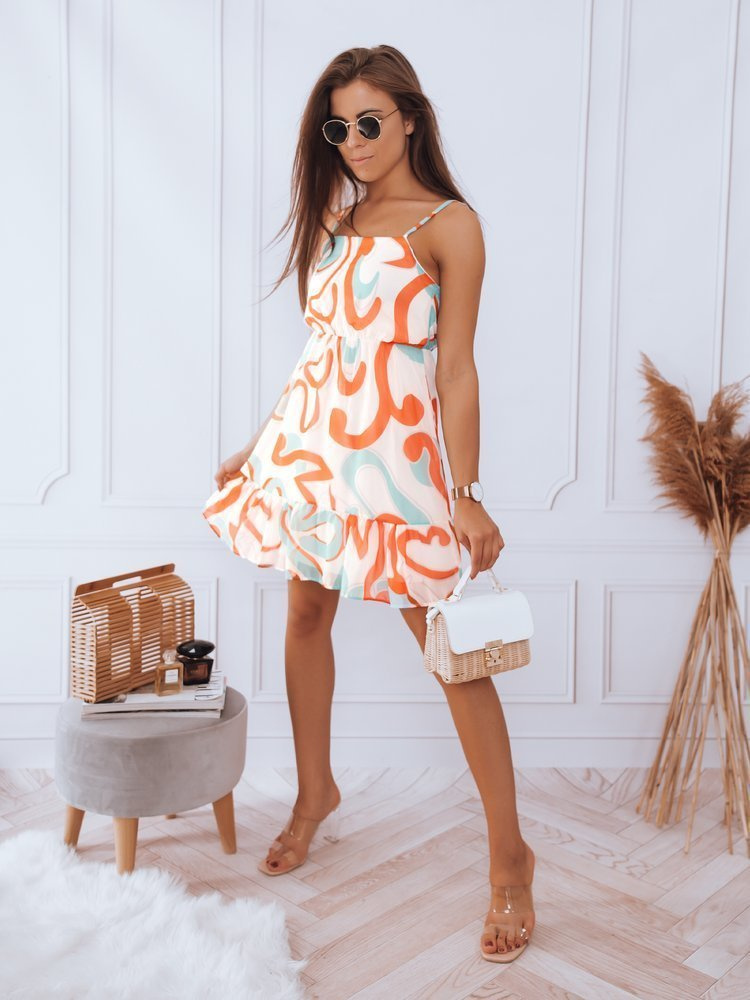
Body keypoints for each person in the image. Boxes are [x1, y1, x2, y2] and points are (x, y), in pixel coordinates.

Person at [202, 44, 535, 963]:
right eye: (337, 127)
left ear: (411, 120)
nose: (352, 140)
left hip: (398, 468)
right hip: (314, 455)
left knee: (452, 655)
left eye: (369, 122)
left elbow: (456, 369)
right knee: (305, 613)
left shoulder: (450, 225)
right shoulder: (334, 218)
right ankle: (316, 792)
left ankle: (511, 857)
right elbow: (323, 355)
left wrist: (467, 493)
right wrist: (263, 445)